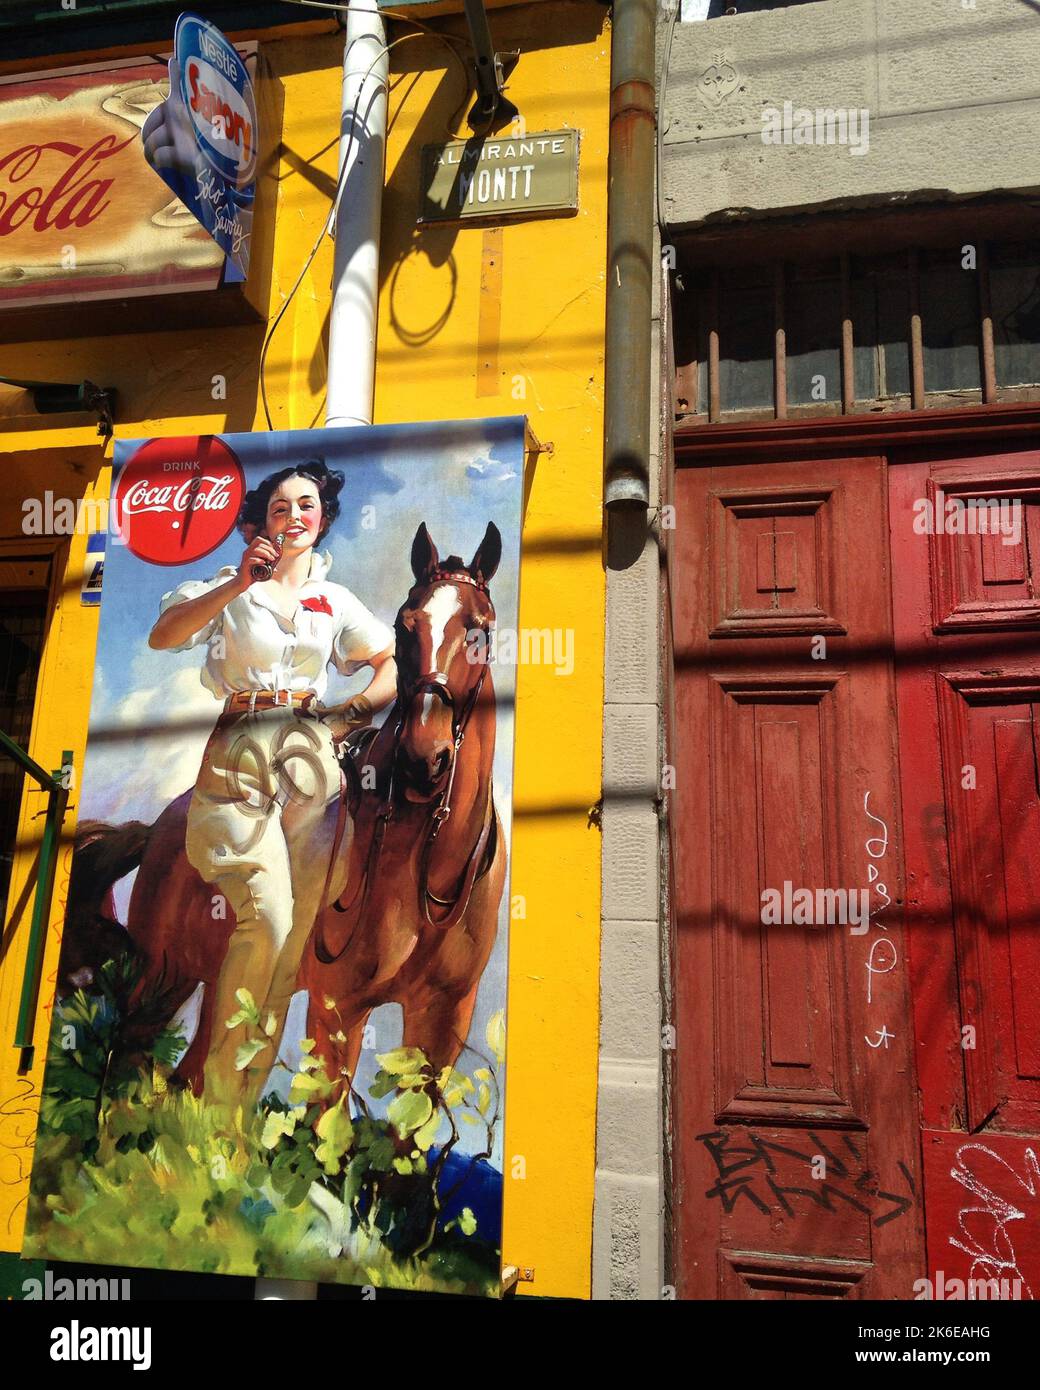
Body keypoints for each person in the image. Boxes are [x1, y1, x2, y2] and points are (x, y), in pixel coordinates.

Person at [148, 458, 396, 1109]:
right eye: (280, 508)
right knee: (269, 916)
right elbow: (163, 635)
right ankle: (217, 1099)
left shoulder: (334, 599)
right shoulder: (231, 587)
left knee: (290, 950)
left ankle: (236, 1114)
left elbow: (389, 663)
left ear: (322, 519)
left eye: (306, 505)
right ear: (260, 525)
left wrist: (349, 715)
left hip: (312, 756)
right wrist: (237, 583)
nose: (294, 517)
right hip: (241, 748)